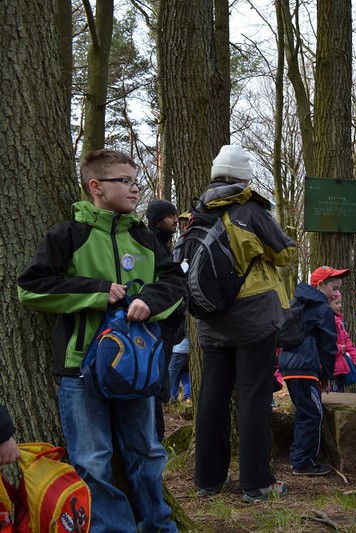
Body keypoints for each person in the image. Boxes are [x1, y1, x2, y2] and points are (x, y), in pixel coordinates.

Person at [17, 149, 184, 532]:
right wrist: (96, 291)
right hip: (81, 367)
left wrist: (146, 299)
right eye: (124, 180)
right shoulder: (69, 235)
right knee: (92, 459)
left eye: (136, 180)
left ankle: (158, 525)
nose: (135, 187)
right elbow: (31, 289)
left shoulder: (145, 237)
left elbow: (175, 283)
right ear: (96, 186)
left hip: (137, 367)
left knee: (147, 451)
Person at [193, 145, 295, 503]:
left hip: (211, 321)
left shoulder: (198, 210)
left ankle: (207, 479)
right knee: (253, 398)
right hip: (253, 321)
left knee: (212, 399)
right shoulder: (249, 209)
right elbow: (284, 252)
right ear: (243, 177)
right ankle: (256, 483)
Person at [279, 266, 345, 476]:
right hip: (306, 366)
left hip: (290, 364)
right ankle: (302, 462)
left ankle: (298, 455)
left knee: (305, 411)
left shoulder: (296, 303)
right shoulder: (321, 307)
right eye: (333, 288)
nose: (336, 293)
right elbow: (328, 344)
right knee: (311, 414)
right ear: (319, 285)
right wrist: (327, 374)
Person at [145, 199, 186, 436]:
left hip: (169, 328)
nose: (175, 220)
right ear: (157, 220)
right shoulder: (151, 244)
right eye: (170, 216)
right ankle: (154, 435)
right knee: (154, 381)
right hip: (156, 327)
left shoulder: (166, 246)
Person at [329, 292, 356, 392]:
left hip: (340, 368)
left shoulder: (338, 320)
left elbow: (346, 340)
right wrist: (338, 348)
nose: (340, 306)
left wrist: (354, 357)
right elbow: (323, 344)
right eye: (337, 303)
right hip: (331, 367)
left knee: (339, 391)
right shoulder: (326, 320)